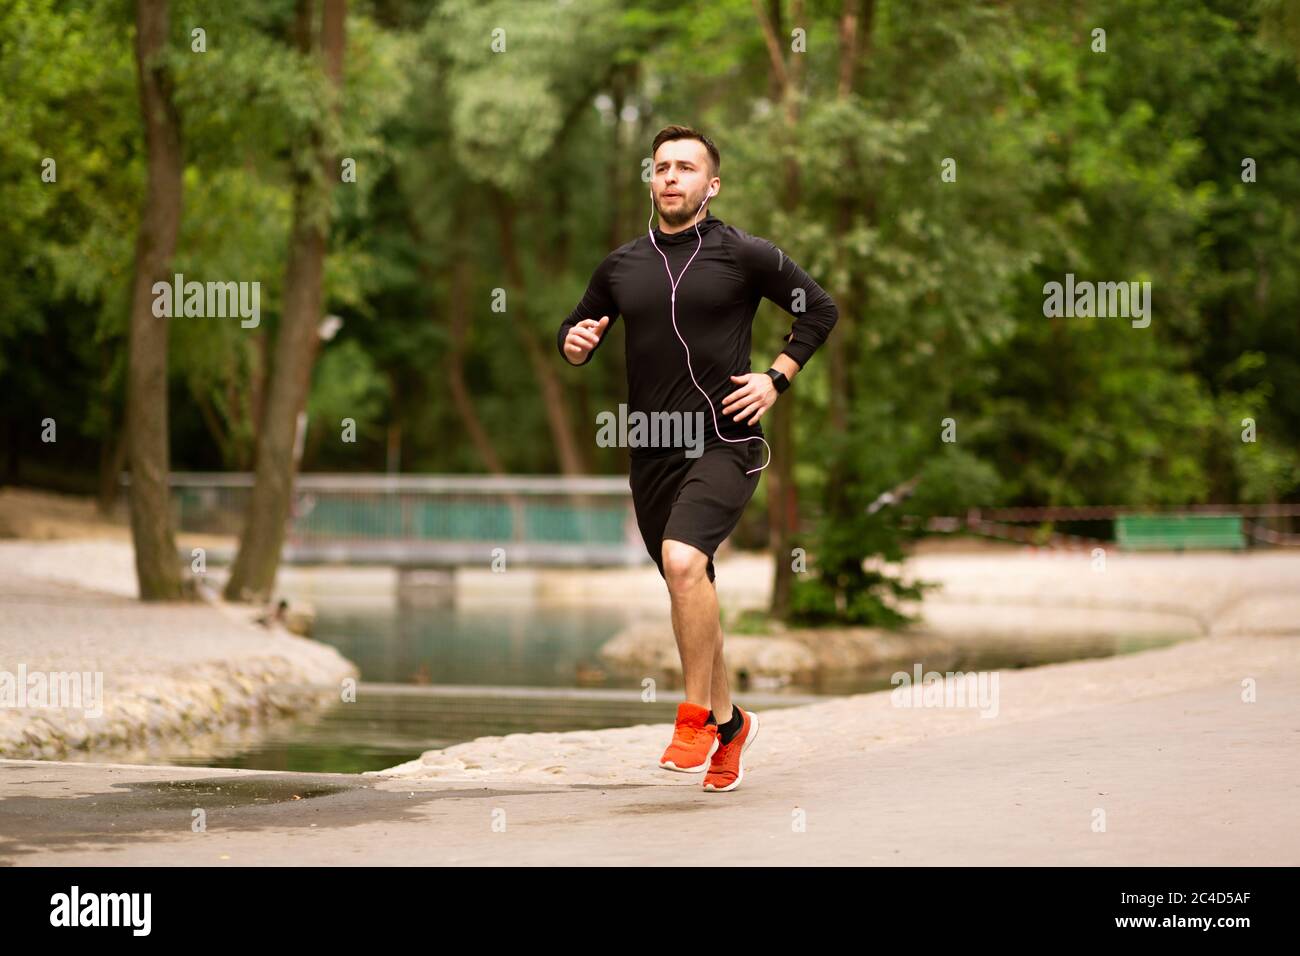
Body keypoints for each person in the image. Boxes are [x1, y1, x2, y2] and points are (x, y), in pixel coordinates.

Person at [557, 124, 838, 792]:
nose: (671, 177)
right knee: (690, 583)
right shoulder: (621, 266)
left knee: (684, 563)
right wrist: (574, 342)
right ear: (650, 181)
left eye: (686, 167)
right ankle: (732, 724)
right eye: (661, 167)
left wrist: (776, 377)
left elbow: (819, 310)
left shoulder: (744, 254)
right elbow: (577, 331)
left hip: (725, 438)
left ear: (711, 185)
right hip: (652, 449)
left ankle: (693, 720)